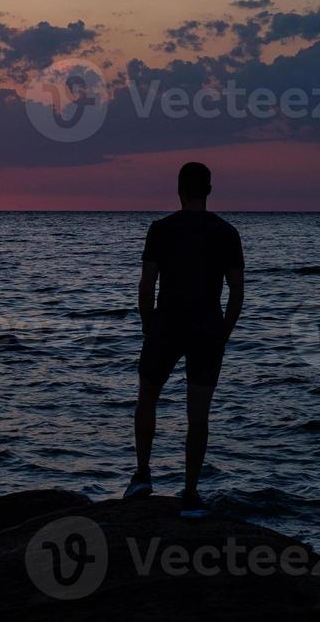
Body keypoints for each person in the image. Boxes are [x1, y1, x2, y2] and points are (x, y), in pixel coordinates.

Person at [123, 162, 244, 518]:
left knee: (147, 397)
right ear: (209, 189)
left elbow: (146, 286)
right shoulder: (227, 233)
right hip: (207, 328)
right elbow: (237, 292)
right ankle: (190, 493)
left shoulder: (161, 230)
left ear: (179, 189)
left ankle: (143, 475)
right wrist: (224, 331)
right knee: (198, 415)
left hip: (167, 324)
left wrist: (149, 325)